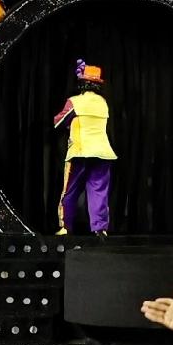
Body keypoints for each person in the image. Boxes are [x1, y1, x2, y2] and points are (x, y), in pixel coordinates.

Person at [54, 60, 114, 235]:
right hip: (103, 152)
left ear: (82, 83)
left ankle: (66, 227)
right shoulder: (103, 103)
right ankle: (100, 229)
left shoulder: (75, 102)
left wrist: (70, 124)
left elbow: (58, 122)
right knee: (99, 191)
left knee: (70, 192)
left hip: (80, 151)